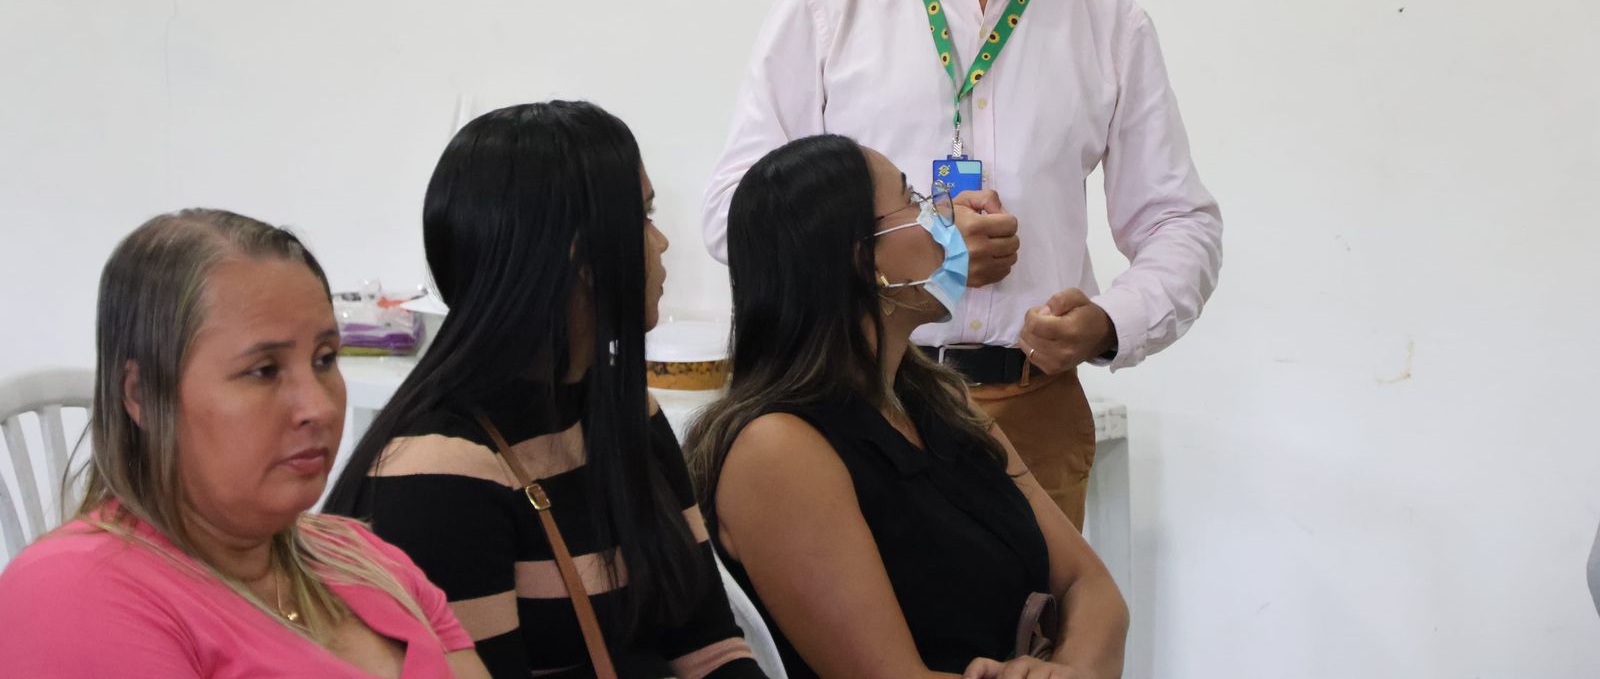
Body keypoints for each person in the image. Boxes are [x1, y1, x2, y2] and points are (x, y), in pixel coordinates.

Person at [702, 0, 1223, 527]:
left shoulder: (1110, 25)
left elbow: (1179, 223)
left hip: (1034, 408)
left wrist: (1110, 322)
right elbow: (736, 212)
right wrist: (922, 260)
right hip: (852, 407)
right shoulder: (825, 5)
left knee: (1047, 613)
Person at [325, 101, 762, 679]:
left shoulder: (626, 411)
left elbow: (709, 642)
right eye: (644, 215)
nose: (660, 243)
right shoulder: (440, 472)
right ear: (582, 256)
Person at [686, 134, 1128, 679]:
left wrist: (1074, 670)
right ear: (862, 259)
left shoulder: (941, 401)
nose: (943, 216)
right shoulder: (777, 450)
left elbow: (1091, 585)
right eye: (914, 200)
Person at [0, 209, 489, 679]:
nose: (318, 407)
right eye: (264, 371)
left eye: (324, 359)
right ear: (143, 394)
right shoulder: (74, 594)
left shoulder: (359, 554)